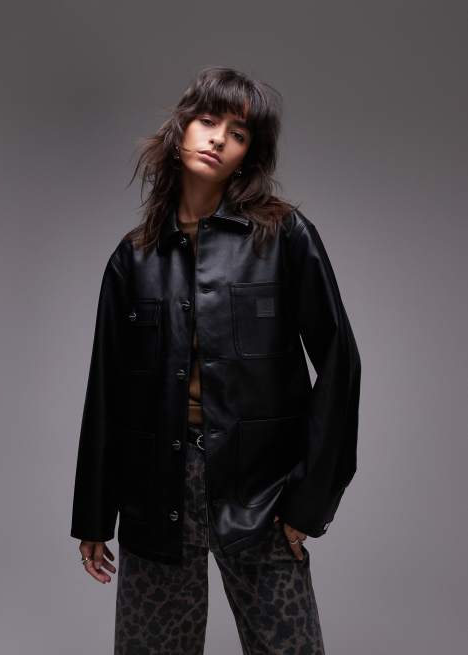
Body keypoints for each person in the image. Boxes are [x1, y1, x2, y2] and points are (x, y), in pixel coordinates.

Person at [70, 66, 361, 654]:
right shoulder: (133, 259)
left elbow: (340, 364)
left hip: (262, 490)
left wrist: (309, 501)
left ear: (249, 154)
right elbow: (106, 392)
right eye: (207, 120)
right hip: (156, 489)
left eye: (239, 133)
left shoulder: (283, 236)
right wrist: (94, 516)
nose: (218, 138)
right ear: (180, 128)